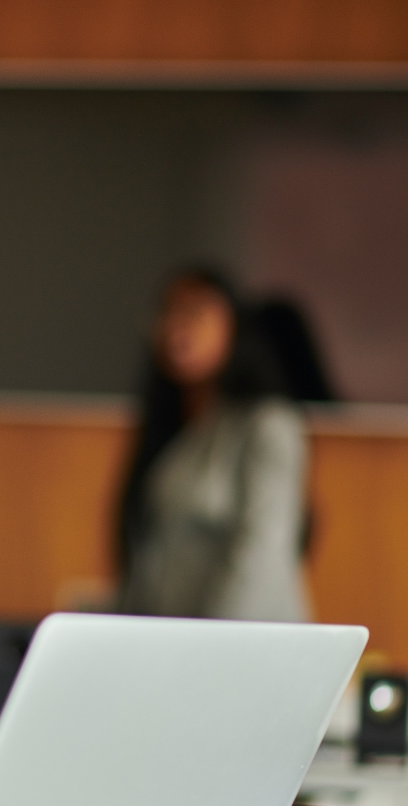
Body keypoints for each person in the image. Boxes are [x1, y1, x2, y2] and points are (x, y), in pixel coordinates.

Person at [114, 267, 310, 623]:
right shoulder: (170, 426)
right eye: (167, 312)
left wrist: (215, 646)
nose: (177, 327)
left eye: (195, 312)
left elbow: (264, 548)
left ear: (233, 326)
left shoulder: (267, 425)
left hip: (245, 643)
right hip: (172, 642)